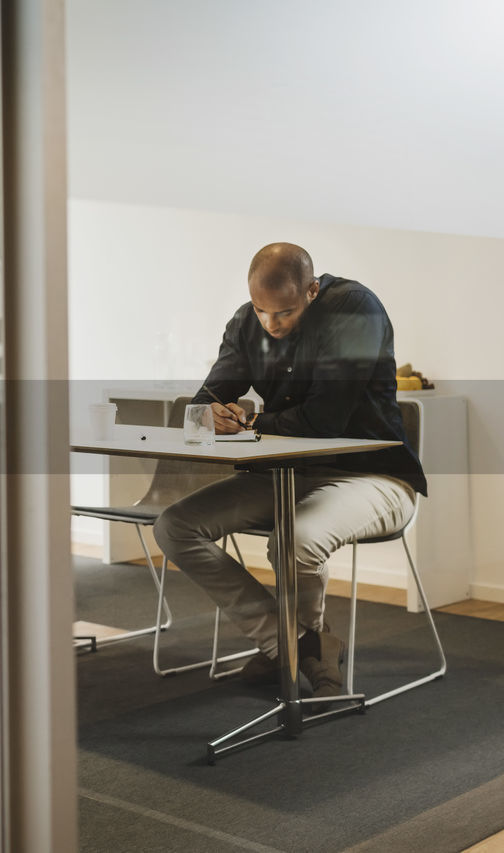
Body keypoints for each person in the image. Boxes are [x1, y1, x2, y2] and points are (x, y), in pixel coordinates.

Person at [153, 242, 426, 698]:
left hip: (374, 477)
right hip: (283, 476)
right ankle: (298, 645)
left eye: (284, 312)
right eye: (261, 310)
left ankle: (292, 648)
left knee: (294, 541)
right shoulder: (246, 322)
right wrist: (209, 415)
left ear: (313, 291)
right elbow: (204, 402)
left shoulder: (354, 309)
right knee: (174, 526)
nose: (271, 324)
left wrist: (250, 420)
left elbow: (325, 420)